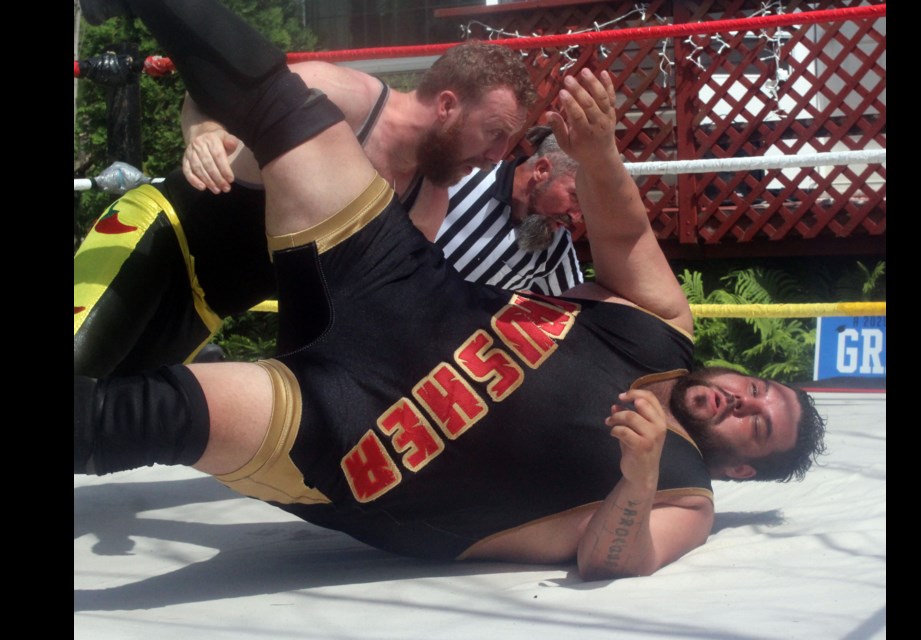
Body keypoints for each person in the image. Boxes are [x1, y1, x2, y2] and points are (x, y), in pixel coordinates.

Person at [75, 0, 826, 580]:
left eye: (758, 425)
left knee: (149, 412)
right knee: (288, 110)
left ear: (739, 468)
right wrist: (597, 157)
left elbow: (611, 559)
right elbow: (627, 239)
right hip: (394, 287)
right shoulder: (664, 325)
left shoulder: (686, 496)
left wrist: (637, 476)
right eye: (758, 389)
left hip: (362, 438)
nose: (742, 400)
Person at [74, 34, 537, 377]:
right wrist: (204, 132)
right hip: (159, 236)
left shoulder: (426, 203)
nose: (497, 157)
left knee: (104, 418)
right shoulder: (337, 96)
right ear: (448, 106)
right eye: (495, 132)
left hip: (208, 308)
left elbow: (378, 305)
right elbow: (205, 90)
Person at [438, 129, 585, 295]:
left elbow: (576, 310)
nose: (577, 217)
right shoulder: (463, 178)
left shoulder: (556, 245)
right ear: (541, 170)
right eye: (576, 196)